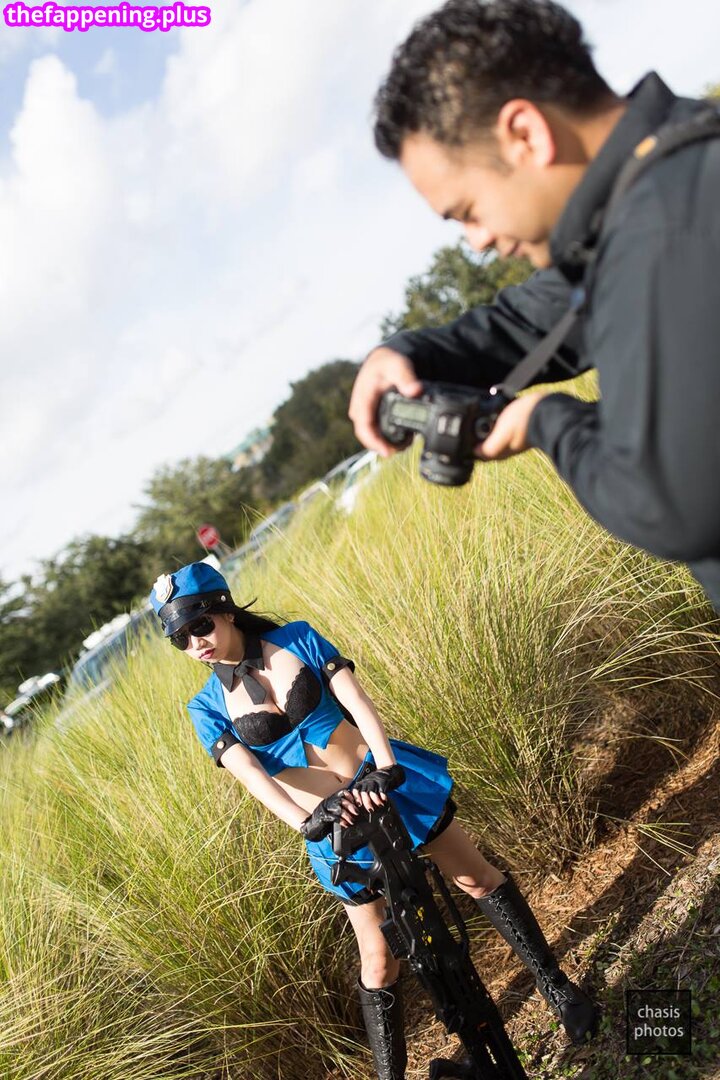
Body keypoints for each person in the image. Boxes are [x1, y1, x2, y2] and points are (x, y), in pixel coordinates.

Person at [149, 562, 597, 1078]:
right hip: (331, 826)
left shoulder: (297, 638)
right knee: (379, 959)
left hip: (383, 784)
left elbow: (356, 699)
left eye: (199, 625)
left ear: (225, 609)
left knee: (475, 877)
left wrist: (386, 766)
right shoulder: (205, 707)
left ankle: (558, 989)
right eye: (179, 638)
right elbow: (249, 774)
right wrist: (307, 820)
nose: (195, 643)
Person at [349, 0, 720, 612]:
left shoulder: (663, 231)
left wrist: (547, 421)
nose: (477, 241)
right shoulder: (656, 182)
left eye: (467, 212)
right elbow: (530, 322)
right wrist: (407, 354)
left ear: (525, 134)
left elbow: (670, 505)